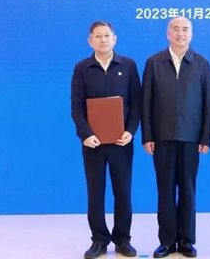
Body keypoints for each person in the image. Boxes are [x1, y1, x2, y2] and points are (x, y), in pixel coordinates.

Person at [141, 16, 210, 258]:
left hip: (191, 138)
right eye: (175, 29)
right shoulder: (154, 62)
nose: (180, 33)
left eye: (185, 29)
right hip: (162, 138)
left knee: (188, 191)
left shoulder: (202, 64)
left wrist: (205, 137)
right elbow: (146, 102)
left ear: (191, 34)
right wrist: (147, 136)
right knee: (165, 191)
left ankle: (186, 240)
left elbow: (209, 104)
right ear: (167, 33)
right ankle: (167, 241)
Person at [71, 21, 141, 259]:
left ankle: (122, 239)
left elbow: (136, 102)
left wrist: (130, 131)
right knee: (95, 192)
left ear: (115, 39)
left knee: (123, 192)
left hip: (121, 142)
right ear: (90, 41)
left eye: (107, 35)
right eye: (98, 36)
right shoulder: (82, 68)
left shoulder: (128, 65)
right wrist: (86, 134)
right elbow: (77, 106)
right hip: (93, 144)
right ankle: (99, 240)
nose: (103, 40)